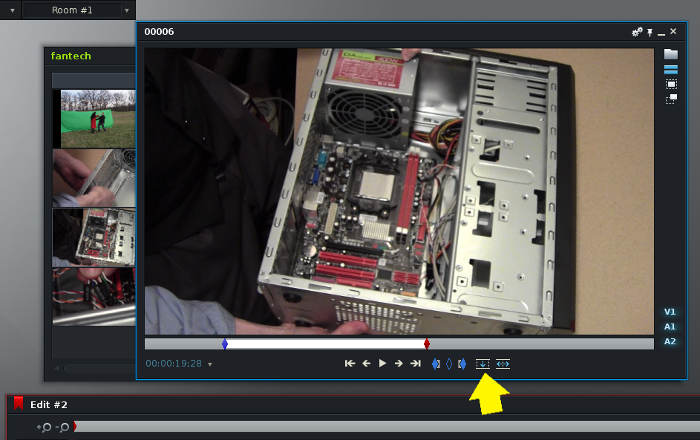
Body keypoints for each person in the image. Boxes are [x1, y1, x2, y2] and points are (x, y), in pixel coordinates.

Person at [143, 50, 368, 335]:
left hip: (205, 114)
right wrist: (276, 336)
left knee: (298, 199)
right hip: (177, 226)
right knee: (261, 308)